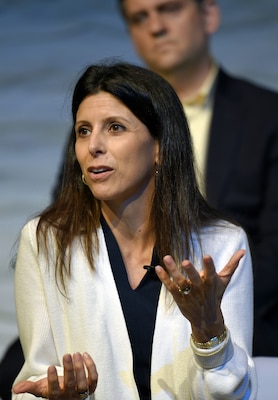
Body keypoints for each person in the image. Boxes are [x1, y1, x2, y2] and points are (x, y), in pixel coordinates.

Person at [11, 61, 256, 400]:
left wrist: (209, 331)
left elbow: (235, 394)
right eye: (83, 130)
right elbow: (32, 384)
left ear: (159, 147)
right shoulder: (46, 241)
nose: (93, 145)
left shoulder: (223, 244)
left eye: (114, 128)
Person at [118, 0, 278, 356]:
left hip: (238, 303)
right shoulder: (103, 127)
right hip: (128, 302)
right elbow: (76, 228)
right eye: (139, 18)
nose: (155, 27)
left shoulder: (267, 116)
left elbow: (274, 251)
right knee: (14, 371)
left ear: (209, 14)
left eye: (169, 9)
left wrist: (203, 305)